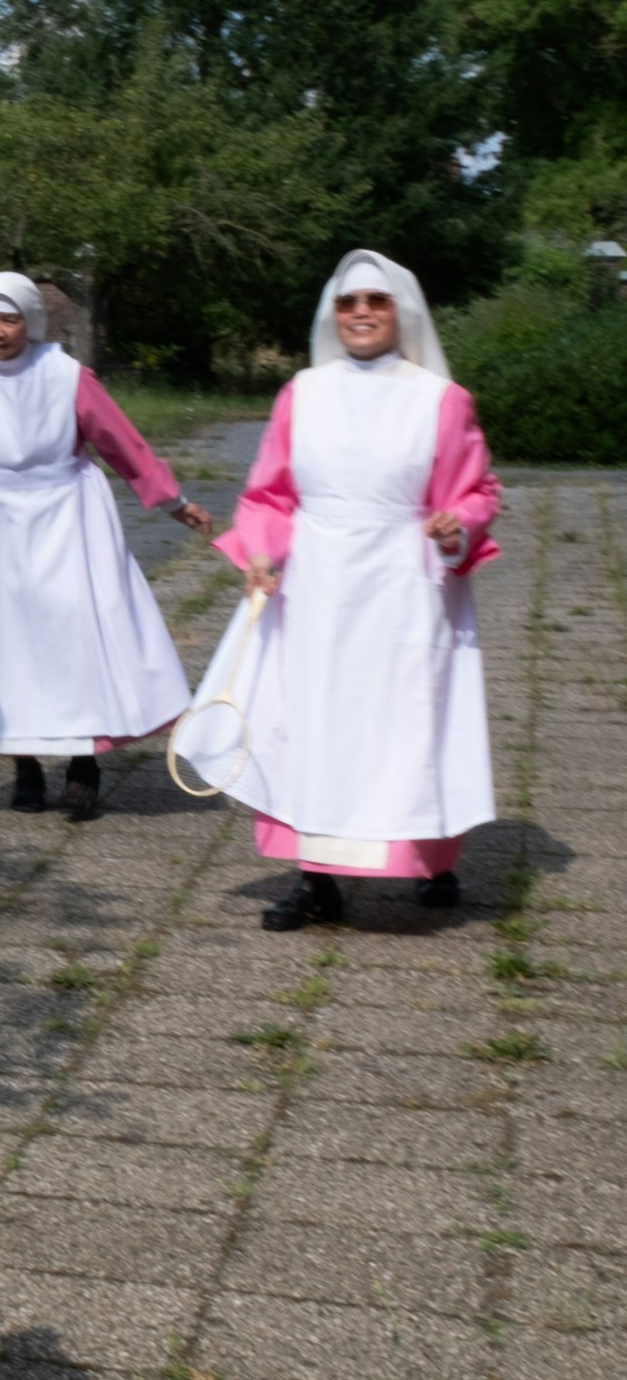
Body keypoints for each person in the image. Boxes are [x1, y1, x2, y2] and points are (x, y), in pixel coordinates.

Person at [180, 249, 499, 931]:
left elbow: (476, 492)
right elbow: (270, 490)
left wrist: (457, 523)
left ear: (401, 312)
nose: (361, 313)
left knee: (409, 722)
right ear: (333, 311)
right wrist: (262, 548)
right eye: (349, 302)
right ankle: (316, 878)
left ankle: (429, 857)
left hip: (405, 585)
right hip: (318, 586)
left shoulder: (441, 399)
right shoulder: (303, 392)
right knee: (314, 725)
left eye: (375, 302)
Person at [0, 273, 213, 819]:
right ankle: (25, 765)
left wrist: (171, 499)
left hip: (68, 518)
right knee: (9, 647)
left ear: (29, 321)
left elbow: (119, 440)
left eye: (8, 319)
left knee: (76, 639)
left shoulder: (65, 375)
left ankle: (84, 762)